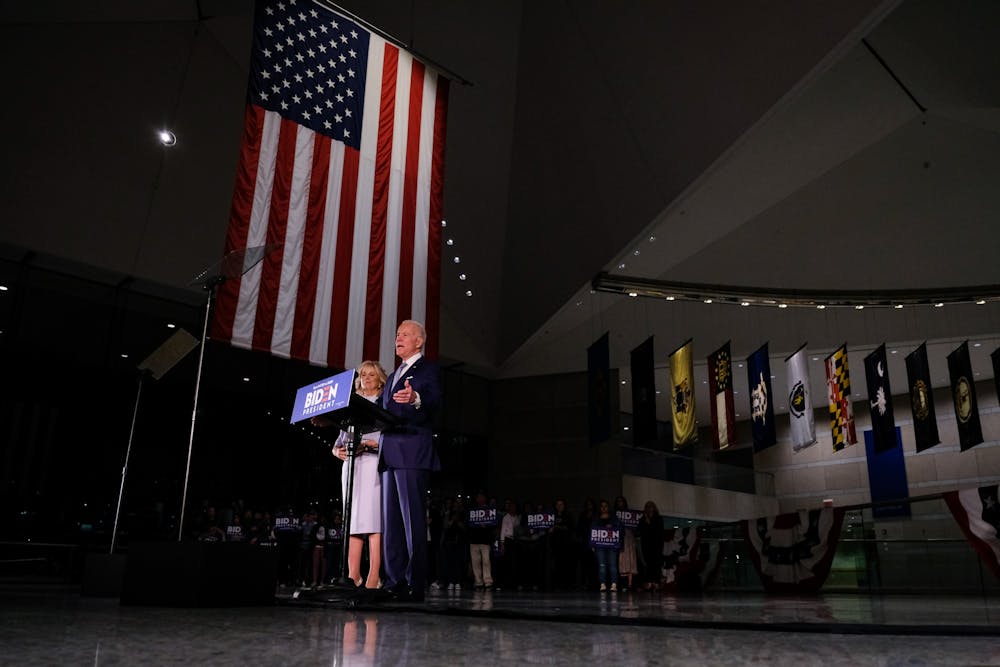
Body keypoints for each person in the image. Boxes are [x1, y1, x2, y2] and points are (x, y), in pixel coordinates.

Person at [380, 320, 441, 602]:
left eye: (405, 334)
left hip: (412, 451)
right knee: (391, 523)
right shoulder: (392, 375)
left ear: (419, 341)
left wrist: (415, 397)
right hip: (389, 453)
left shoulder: (428, 370)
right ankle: (394, 581)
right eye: (396, 335)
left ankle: (415, 584)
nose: (398, 338)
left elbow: (433, 400)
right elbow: (375, 410)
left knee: (412, 522)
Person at [316, 360, 388, 591]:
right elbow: (340, 441)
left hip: (372, 464)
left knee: (373, 521)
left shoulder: (383, 402)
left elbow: (387, 437)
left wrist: (368, 445)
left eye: (371, 375)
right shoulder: (350, 404)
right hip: (351, 466)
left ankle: (374, 576)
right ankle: (353, 575)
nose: (366, 378)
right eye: (363, 374)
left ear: (380, 379)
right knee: (353, 522)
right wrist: (335, 450)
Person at [592, 499, 621, 592]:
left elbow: (620, 530)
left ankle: (614, 584)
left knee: (613, 565)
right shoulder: (596, 519)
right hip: (600, 546)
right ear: (600, 508)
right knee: (602, 565)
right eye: (602, 506)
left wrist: (612, 526)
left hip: (612, 546)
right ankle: (602, 584)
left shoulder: (614, 518)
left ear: (608, 507)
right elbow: (592, 532)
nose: (604, 508)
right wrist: (593, 544)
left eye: (606, 506)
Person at [637, 500, 664, 591]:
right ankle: (649, 583)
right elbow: (641, 532)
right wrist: (646, 522)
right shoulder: (642, 520)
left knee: (656, 564)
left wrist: (649, 523)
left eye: (651, 506)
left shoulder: (659, 519)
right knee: (648, 564)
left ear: (654, 508)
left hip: (656, 545)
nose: (649, 508)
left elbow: (659, 533)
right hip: (646, 546)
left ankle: (656, 583)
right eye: (647, 506)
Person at [615, 495, 638, 591]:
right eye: (618, 501)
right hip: (619, 538)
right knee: (622, 560)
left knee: (631, 560)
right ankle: (624, 584)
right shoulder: (614, 514)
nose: (620, 503)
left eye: (621, 501)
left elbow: (636, 527)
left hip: (629, 538)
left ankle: (630, 584)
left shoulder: (630, 514)